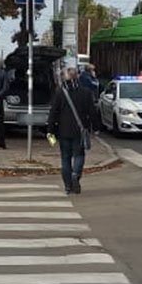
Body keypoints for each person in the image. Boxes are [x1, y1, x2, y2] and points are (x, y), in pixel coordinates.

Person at [48, 64, 95, 195]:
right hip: (80, 130)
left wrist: (50, 130)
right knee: (79, 155)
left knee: (65, 158)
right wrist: (95, 128)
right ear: (77, 77)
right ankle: (75, 175)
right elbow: (92, 112)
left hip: (63, 131)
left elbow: (53, 113)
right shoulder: (85, 92)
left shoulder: (59, 93)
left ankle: (68, 186)